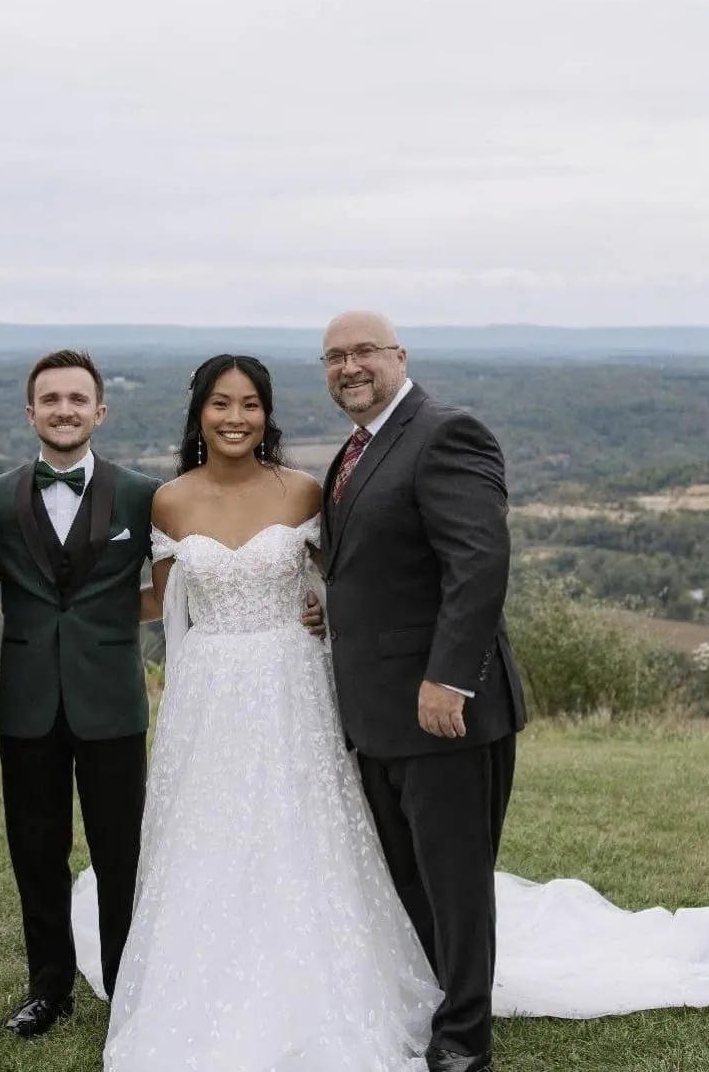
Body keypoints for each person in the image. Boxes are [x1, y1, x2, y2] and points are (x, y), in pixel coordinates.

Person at [76, 353, 442, 1071]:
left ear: (266, 414)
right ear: (199, 414)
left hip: (290, 679)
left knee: (300, 826)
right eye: (220, 404)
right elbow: (158, 601)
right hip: (208, 687)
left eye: (248, 404)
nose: (235, 418)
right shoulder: (169, 501)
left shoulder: (304, 491)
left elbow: (348, 580)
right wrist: (73, 607)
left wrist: (324, 611)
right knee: (208, 832)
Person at [316, 310, 526, 1072]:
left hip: (443, 711)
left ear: (399, 355)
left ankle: (464, 1036)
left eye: (363, 351)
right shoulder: (357, 447)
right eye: (334, 357)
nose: (348, 366)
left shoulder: (445, 431)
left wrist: (447, 679)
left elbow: (478, 562)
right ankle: (436, 995)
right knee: (406, 874)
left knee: (453, 879)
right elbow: (371, 564)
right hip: (375, 712)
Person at [0, 350, 160, 1039]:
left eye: (76, 399)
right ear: (31, 413)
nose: (63, 410)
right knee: (36, 848)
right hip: (26, 699)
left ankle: (125, 984)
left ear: (99, 412)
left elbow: (172, 585)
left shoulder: (142, 495)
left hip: (111, 697)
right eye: (49, 399)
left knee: (120, 851)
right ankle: (47, 987)